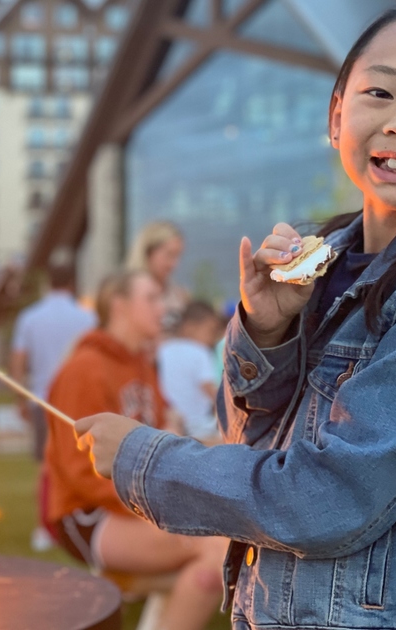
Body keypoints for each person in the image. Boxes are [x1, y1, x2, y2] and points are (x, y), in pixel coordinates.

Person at [76, 2, 396, 628]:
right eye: (381, 91)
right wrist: (267, 331)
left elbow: (328, 500)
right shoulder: (327, 258)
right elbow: (252, 438)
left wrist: (147, 460)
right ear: (337, 113)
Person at [44, 270, 228, 630]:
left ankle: (134, 590)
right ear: (120, 306)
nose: (164, 308)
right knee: (218, 550)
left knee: (214, 562)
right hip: (89, 513)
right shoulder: (85, 368)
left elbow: (160, 438)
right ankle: (126, 584)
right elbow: (78, 471)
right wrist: (156, 502)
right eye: (152, 298)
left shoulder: (142, 365)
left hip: (136, 501)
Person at [10, 262, 96, 551]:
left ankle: (43, 528)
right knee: (82, 463)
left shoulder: (30, 317)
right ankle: (79, 521)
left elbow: (19, 359)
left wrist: (19, 397)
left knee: (46, 465)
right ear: (72, 284)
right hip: (78, 399)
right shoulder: (86, 317)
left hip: (42, 398)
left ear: (48, 283)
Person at [158, 301, 223, 444]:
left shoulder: (164, 349)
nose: (213, 338)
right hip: (198, 426)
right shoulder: (200, 352)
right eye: (210, 331)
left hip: (171, 423)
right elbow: (210, 390)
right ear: (190, 328)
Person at [125, 221, 189, 332]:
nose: (174, 264)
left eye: (178, 256)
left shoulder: (181, 297)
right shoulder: (125, 292)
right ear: (148, 252)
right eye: (169, 255)